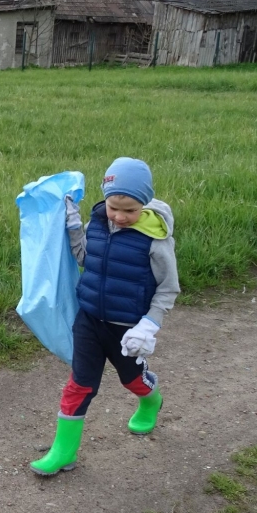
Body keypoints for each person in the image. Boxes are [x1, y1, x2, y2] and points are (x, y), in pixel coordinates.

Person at [31, 157, 180, 476]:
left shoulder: (155, 240)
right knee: (80, 385)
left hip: (128, 330)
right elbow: (87, 257)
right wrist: (74, 230)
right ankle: (63, 452)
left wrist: (148, 326)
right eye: (114, 207)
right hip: (89, 321)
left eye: (130, 210)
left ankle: (151, 400)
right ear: (106, 198)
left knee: (132, 380)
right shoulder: (98, 222)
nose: (120, 216)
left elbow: (168, 290)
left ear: (145, 203)